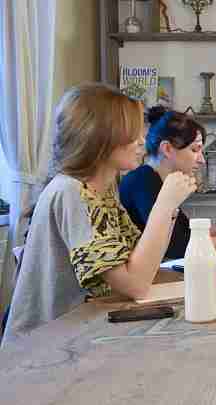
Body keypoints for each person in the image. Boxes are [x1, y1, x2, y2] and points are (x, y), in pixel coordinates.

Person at [4, 83, 196, 343]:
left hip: (79, 333)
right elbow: (136, 284)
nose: (141, 141)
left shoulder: (102, 190)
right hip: (41, 346)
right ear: (101, 138)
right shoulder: (72, 192)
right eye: (131, 134)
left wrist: (170, 207)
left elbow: (143, 263)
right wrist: (164, 205)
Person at [119, 106, 216, 259]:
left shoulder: (156, 181)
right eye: (194, 150)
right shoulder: (143, 182)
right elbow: (177, 247)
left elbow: (186, 233)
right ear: (167, 149)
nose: (202, 160)